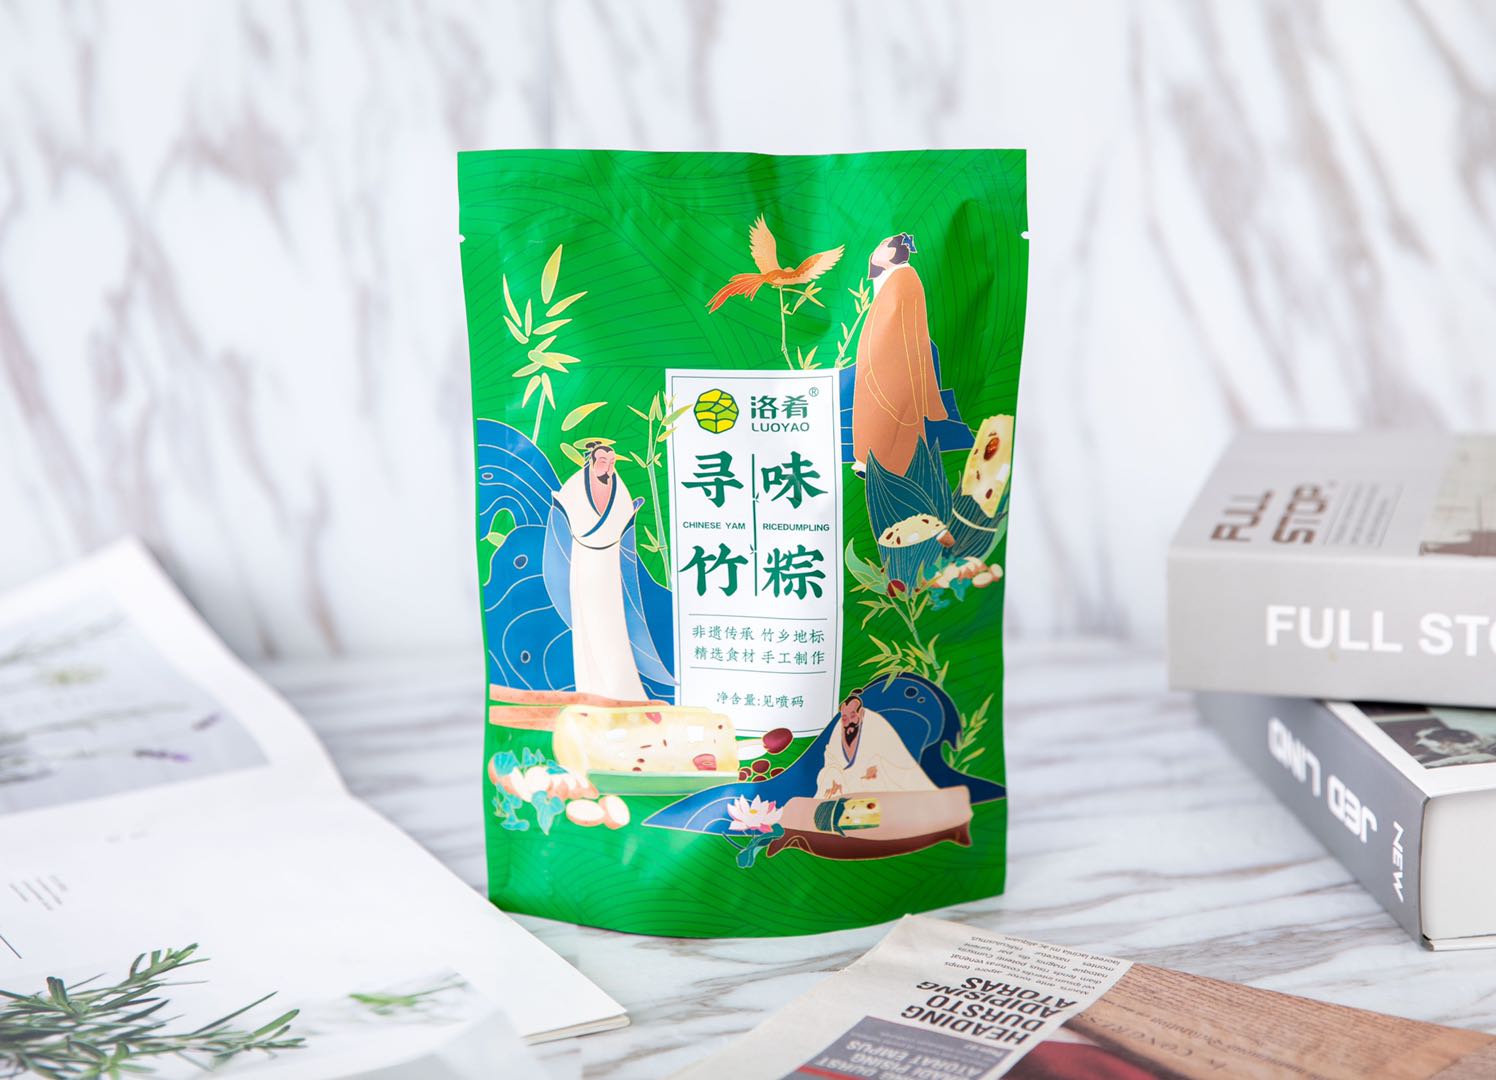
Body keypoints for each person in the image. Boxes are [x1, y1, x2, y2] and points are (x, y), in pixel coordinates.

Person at [551, 442, 648, 701]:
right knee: (587, 621)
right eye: (603, 460)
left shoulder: (618, 485)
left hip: (610, 562)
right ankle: (590, 690)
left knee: (613, 623)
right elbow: (564, 505)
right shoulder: (576, 484)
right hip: (585, 560)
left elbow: (625, 512)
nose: (608, 465)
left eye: (611, 461)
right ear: (592, 460)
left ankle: (625, 692)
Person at [851, 232, 949, 477]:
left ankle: (894, 465)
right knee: (874, 407)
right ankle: (869, 460)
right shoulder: (890, 277)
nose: (877, 248)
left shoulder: (905, 277)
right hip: (878, 359)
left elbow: (907, 326)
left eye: (884, 244)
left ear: (896, 252)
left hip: (894, 361)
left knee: (894, 409)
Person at [816, 692, 936, 797]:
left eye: (852, 716)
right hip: (847, 787)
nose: (849, 722)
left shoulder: (875, 723)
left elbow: (892, 756)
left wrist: (876, 767)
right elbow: (831, 759)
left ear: (860, 713)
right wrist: (834, 778)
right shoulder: (839, 728)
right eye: (844, 718)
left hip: (874, 782)